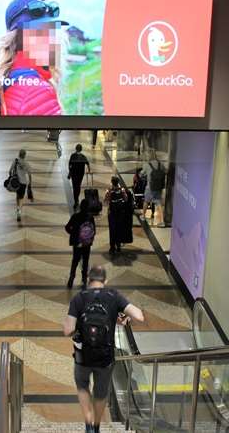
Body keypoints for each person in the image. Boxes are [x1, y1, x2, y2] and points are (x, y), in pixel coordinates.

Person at [63, 266, 144, 433]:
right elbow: (139, 316)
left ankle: (88, 421)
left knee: (82, 386)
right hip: (105, 357)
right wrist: (121, 315)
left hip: (83, 356)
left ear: (88, 280)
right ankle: (96, 426)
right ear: (105, 281)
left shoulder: (79, 298)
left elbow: (67, 330)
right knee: (100, 393)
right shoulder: (114, 296)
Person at [65, 199, 96, 289]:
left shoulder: (75, 216)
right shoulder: (90, 217)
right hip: (86, 243)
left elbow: (67, 227)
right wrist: (89, 238)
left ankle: (72, 278)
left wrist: (73, 233)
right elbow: (94, 230)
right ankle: (84, 280)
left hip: (77, 242)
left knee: (75, 260)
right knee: (85, 262)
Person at [104, 176, 135, 254]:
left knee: (112, 230)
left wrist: (110, 195)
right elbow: (126, 199)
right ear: (118, 182)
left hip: (112, 213)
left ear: (112, 182)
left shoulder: (109, 190)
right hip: (120, 213)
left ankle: (112, 247)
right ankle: (118, 246)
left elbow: (106, 201)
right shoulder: (122, 190)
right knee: (119, 229)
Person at [140, 149, 166, 227]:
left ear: (148, 156)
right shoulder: (160, 164)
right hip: (158, 187)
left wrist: (141, 174)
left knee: (146, 201)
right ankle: (162, 221)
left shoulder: (147, 164)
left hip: (150, 187)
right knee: (158, 203)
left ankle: (143, 216)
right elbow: (164, 172)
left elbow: (142, 174)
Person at [68, 144, 91, 209]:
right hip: (80, 174)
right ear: (81, 149)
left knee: (75, 186)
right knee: (78, 185)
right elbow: (88, 163)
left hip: (74, 174)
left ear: (76, 148)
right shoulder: (83, 156)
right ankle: (76, 199)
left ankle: (76, 200)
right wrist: (89, 170)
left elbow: (70, 165)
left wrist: (70, 173)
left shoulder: (73, 156)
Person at [14, 149, 33, 222]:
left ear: (19, 154)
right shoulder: (26, 163)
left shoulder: (15, 161)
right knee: (21, 198)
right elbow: (29, 174)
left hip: (16, 182)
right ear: (24, 155)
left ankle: (17, 207)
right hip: (23, 183)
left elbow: (10, 170)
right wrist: (30, 182)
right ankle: (19, 210)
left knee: (17, 196)